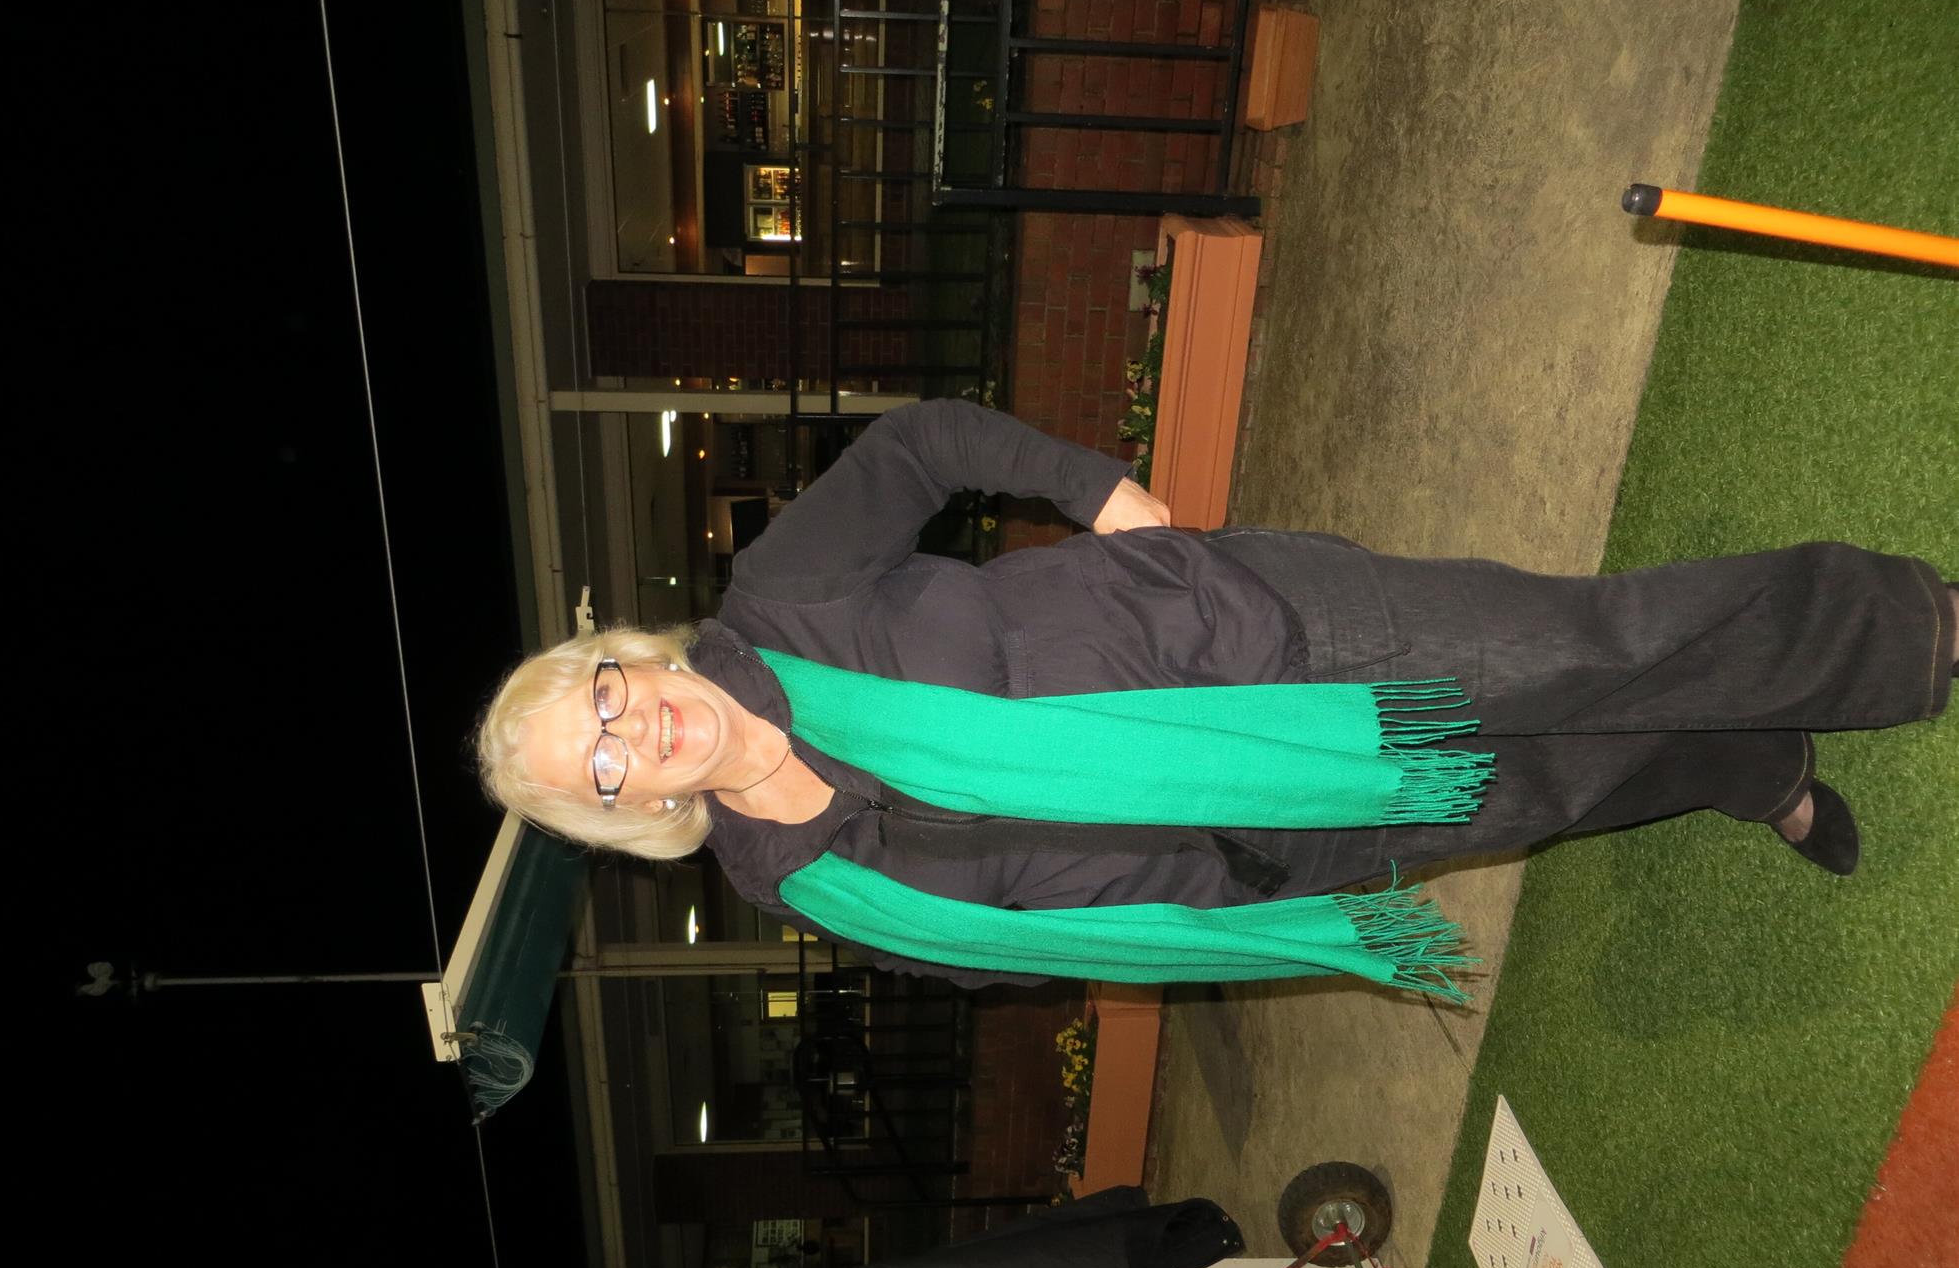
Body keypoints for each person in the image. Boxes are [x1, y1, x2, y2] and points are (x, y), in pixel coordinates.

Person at [478, 400, 1954, 993]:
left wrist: (1093, 489)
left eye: (600, 697)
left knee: (1588, 649)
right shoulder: (800, 885)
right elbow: (1006, 957)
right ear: (624, 815)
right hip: (1276, 837)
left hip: (1267, 636)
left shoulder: (781, 600)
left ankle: (1914, 628)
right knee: (1542, 787)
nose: (629, 733)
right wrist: (1201, 916)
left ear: (629, 661)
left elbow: (920, 447)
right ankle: (1749, 766)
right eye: (599, 768)